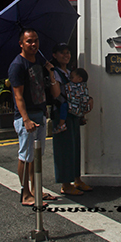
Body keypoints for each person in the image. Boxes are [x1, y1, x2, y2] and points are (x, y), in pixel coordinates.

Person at [8, 28, 60, 206]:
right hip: (27, 116)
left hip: (40, 113)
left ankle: (37, 189)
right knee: (26, 156)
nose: (33, 44)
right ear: (21, 43)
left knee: (36, 156)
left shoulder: (39, 59)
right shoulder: (17, 65)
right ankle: (25, 194)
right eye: (29, 41)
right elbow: (18, 96)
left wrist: (50, 69)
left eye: (35, 40)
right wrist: (26, 120)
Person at [50, 43, 93, 196]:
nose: (66, 55)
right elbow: (55, 95)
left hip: (74, 113)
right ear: (54, 55)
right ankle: (65, 184)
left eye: (67, 53)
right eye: (62, 53)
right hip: (62, 114)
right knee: (64, 149)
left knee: (75, 147)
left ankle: (77, 179)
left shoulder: (70, 72)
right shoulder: (54, 73)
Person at [54, 67, 91, 134]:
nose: (70, 79)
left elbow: (67, 91)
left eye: (72, 77)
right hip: (81, 108)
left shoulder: (73, 86)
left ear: (79, 79)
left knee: (64, 106)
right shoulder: (84, 87)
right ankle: (82, 117)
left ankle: (61, 124)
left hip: (74, 106)